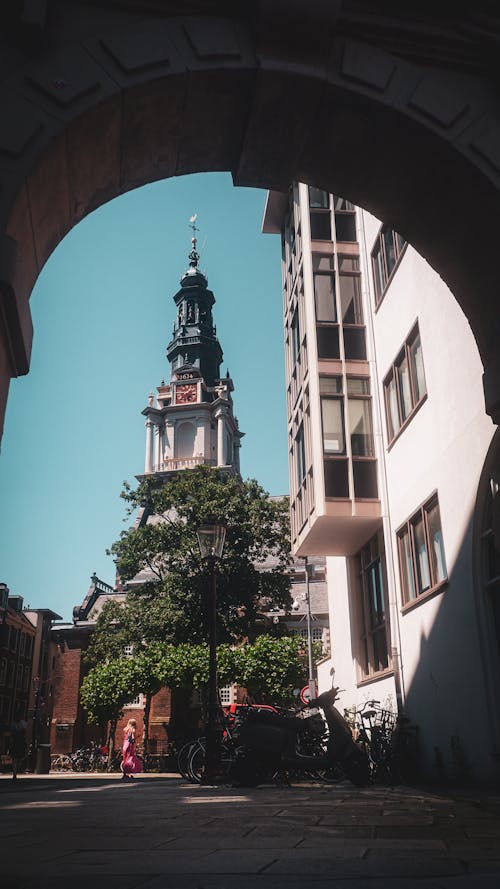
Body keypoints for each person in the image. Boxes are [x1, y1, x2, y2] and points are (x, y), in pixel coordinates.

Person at [8, 704, 28, 781]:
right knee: (16, 758)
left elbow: (12, 733)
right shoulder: (22, 723)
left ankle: (15, 772)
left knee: (16, 758)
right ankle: (15, 773)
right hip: (19, 742)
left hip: (17, 742)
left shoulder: (16, 723)